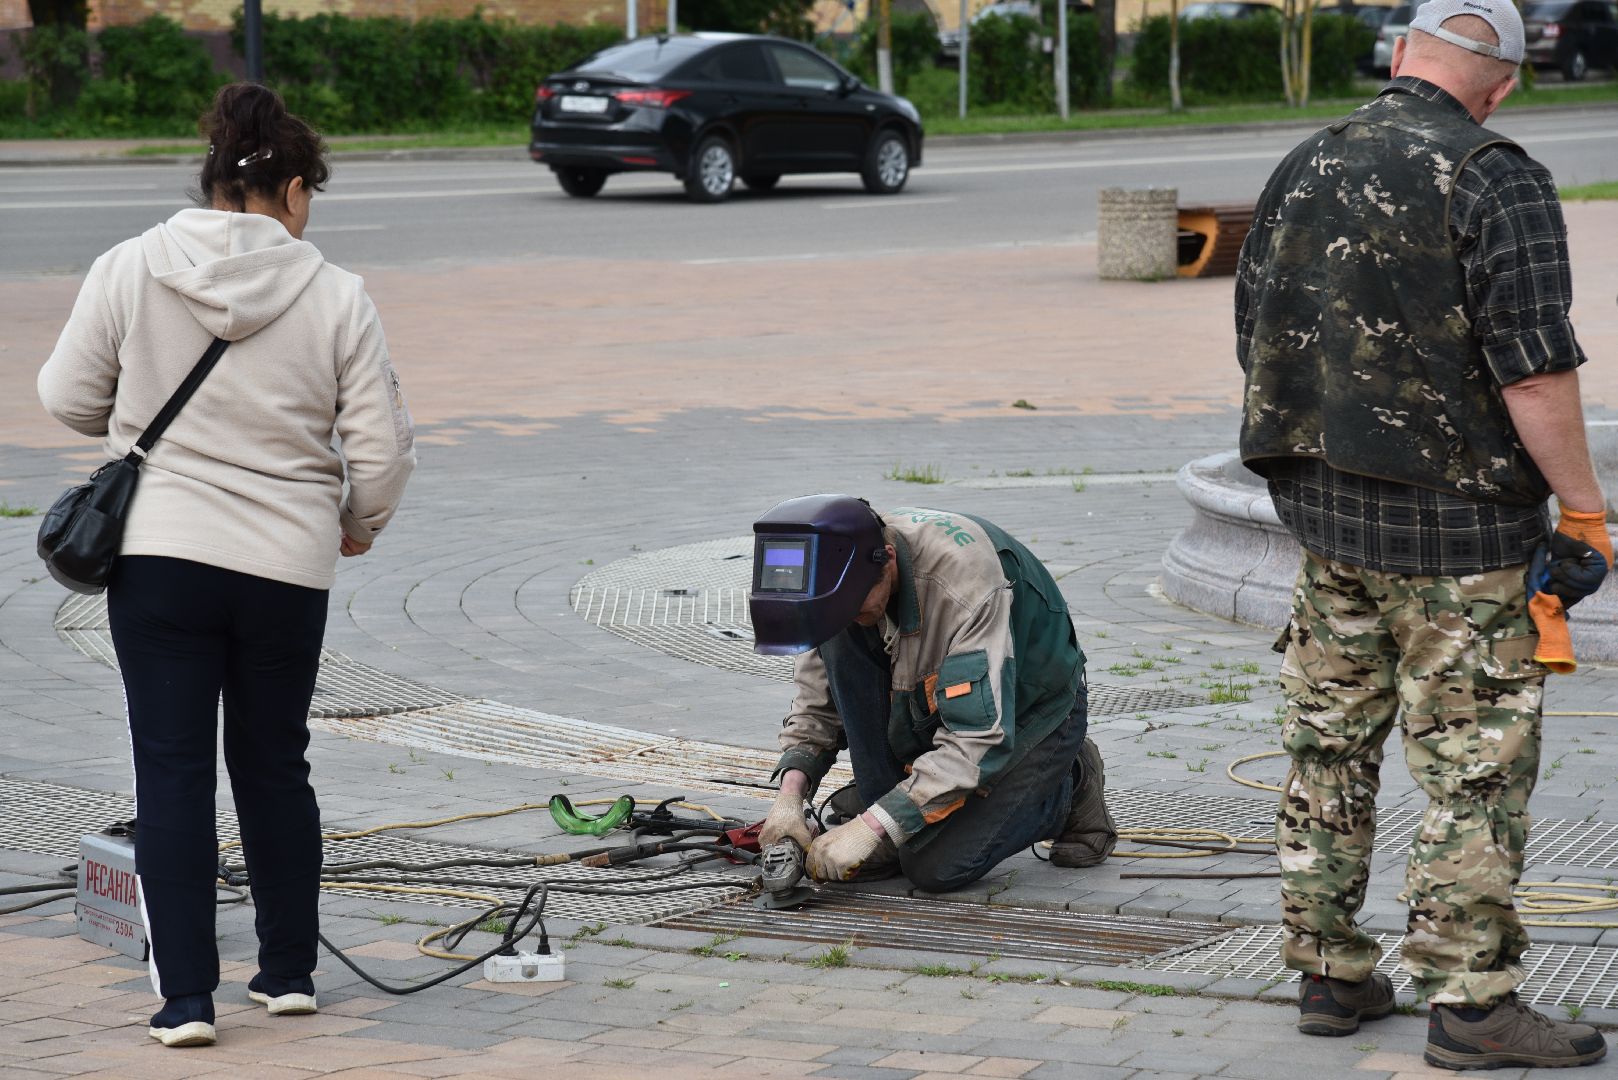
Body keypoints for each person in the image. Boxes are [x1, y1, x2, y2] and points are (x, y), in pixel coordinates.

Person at [1235, 0, 1610, 1069]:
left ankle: (1327, 973)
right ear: (1500, 80)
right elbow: (1533, 368)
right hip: (1461, 547)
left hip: (1327, 525)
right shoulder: (1495, 174)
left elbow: (1255, 328)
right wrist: (1581, 510)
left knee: (1326, 749)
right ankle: (1469, 1004)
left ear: (1402, 56)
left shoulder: (1306, 161)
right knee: (1471, 775)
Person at [37, 84, 415, 1049]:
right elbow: (380, 450)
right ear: (289, 188)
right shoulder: (336, 293)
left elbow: (67, 397)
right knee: (274, 765)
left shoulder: (131, 267)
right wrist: (359, 522)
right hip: (286, 565)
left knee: (170, 773)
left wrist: (139, 411)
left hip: (162, 558)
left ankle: (186, 1001)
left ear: (210, 179)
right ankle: (288, 974)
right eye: (308, 197)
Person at [748, 495, 1116, 893]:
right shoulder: (840, 575)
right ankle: (897, 801)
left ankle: (1071, 780)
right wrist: (790, 793)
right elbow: (817, 702)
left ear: (887, 560)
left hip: (1030, 713)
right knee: (894, 837)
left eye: (854, 607)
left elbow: (977, 739)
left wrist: (874, 824)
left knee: (935, 866)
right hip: (934, 707)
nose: (851, 620)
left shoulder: (966, 587)